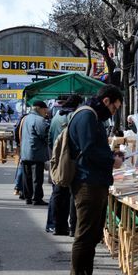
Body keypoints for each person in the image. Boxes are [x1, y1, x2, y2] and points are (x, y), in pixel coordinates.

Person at [68, 84, 124, 275]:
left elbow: (93, 147)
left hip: (95, 182)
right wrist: (112, 160)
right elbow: (89, 149)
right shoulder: (86, 117)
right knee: (84, 235)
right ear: (106, 101)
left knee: (92, 235)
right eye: (114, 108)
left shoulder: (93, 118)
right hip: (87, 183)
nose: (113, 113)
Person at [47, 94, 83, 235]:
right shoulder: (74, 117)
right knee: (72, 196)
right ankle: (73, 228)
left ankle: (56, 225)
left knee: (57, 195)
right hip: (70, 161)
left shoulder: (56, 117)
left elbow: (49, 139)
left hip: (58, 161)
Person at [20, 100, 49, 206]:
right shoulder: (39, 120)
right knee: (37, 178)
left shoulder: (26, 118)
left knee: (27, 177)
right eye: (45, 110)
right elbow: (45, 135)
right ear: (40, 109)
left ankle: (28, 197)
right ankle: (37, 198)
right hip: (35, 153)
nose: (46, 112)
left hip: (25, 152)